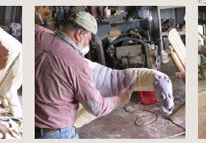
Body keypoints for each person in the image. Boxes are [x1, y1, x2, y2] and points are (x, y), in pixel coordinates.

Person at [34, 11, 133, 139]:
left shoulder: (38, 35)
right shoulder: (77, 64)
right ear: (79, 33)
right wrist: (119, 100)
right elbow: (96, 107)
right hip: (54, 133)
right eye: (89, 39)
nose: (88, 44)